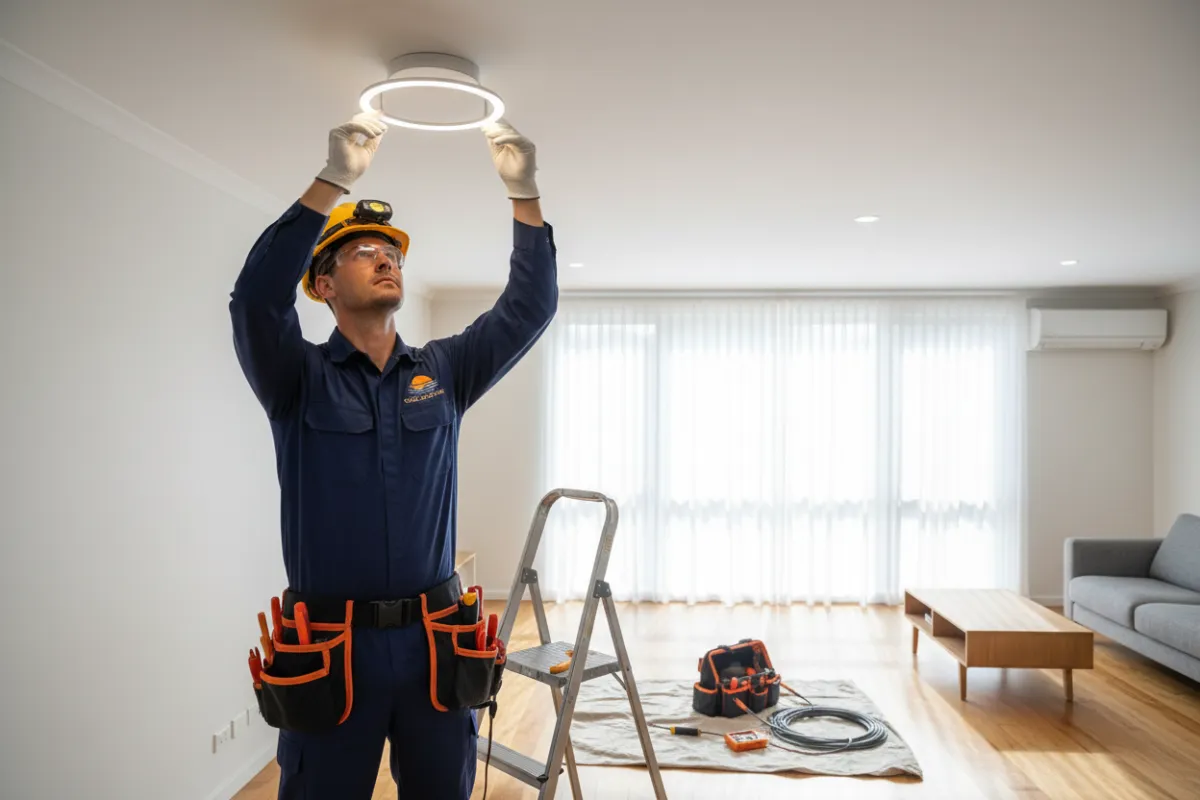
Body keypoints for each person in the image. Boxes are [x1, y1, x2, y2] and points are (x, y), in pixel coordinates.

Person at [229, 110, 558, 799]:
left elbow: (528, 308)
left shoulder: (444, 369)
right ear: (322, 285)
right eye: (362, 251)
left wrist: (524, 196)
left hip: (435, 649)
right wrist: (331, 182)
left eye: (395, 254)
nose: (387, 259)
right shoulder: (297, 378)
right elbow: (255, 300)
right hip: (330, 648)